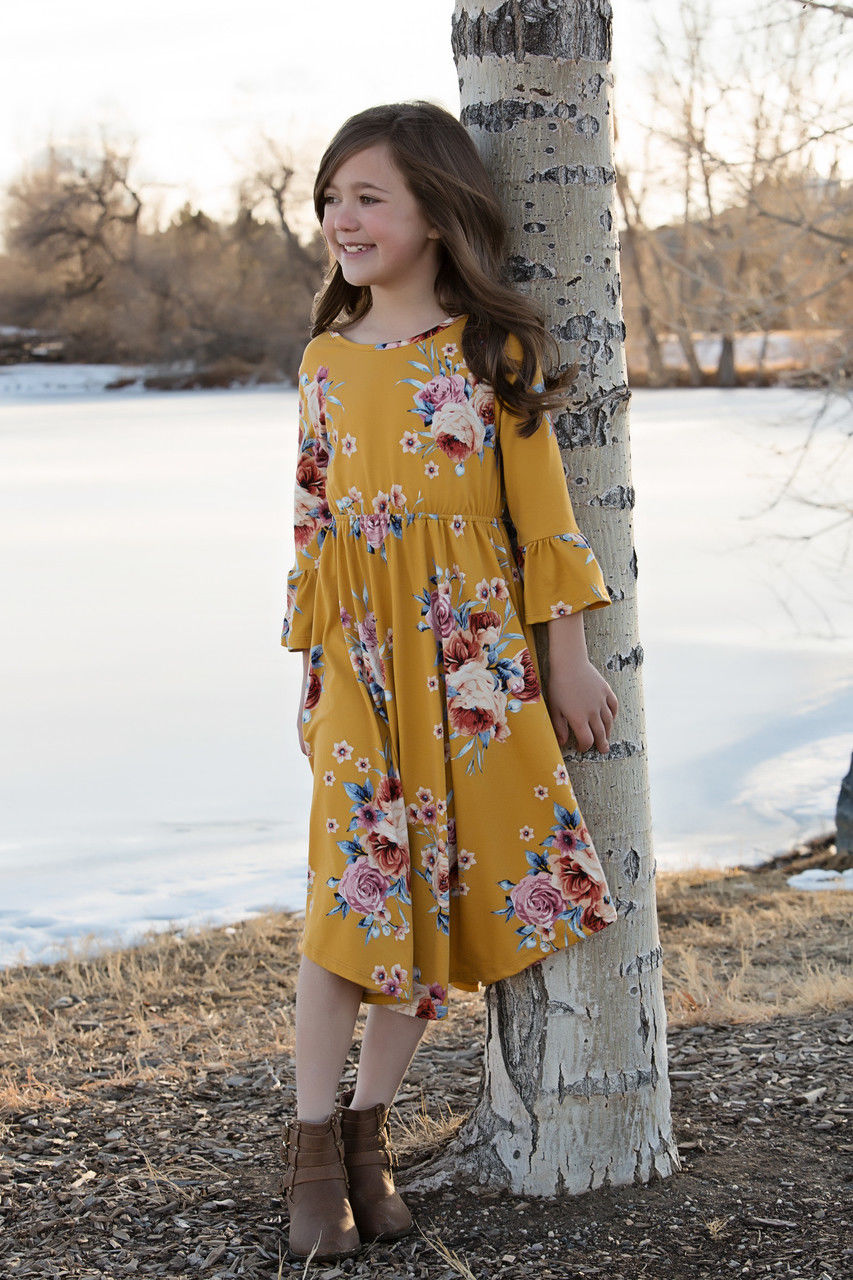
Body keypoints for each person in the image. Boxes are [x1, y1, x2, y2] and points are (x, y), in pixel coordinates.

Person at [279, 101, 619, 1261]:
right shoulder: (325, 359)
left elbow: (546, 524)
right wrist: (314, 678)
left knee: (430, 906)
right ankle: (312, 1147)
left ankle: (371, 1137)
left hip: (471, 669)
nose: (342, 217)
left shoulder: (493, 349)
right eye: (331, 197)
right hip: (361, 670)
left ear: (434, 207)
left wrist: (565, 658)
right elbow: (316, 525)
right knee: (347, 907)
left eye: (367, 195)